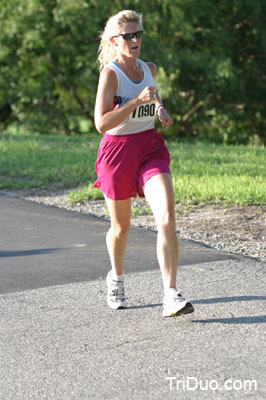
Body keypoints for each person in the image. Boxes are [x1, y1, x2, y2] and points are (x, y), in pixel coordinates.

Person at [93, 10, 194, 317]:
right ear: (115, 41)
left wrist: (160, 109)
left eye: (138, 34)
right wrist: (136, 102)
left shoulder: (148, 67)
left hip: (149, 148)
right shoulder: (110, 75)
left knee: (166, 217)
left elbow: (154, 92)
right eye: (128, 36)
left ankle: (170, 294)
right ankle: (117, 278)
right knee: (121, 228)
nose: (135, 40)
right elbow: (101, 122)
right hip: (117, 152)